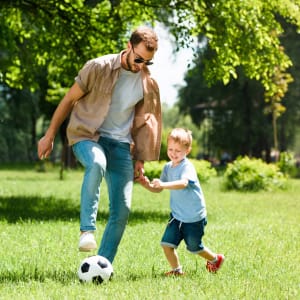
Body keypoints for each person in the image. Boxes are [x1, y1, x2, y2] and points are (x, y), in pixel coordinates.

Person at [37, 26, 162, 264]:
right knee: (96, 163)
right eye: (138, 59)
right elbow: (69, 99)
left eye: (148, 62)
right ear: (128, 46)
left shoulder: (149, 83)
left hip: (121, 145)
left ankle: (101, 265)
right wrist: (50, 135)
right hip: (88, 135)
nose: (141, 65)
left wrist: (141, 160)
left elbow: (147, 122)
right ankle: (87, 231)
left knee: (123, 209)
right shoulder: (98, 67)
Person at [138, 128, 224, 275]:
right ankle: (177, 271)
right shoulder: (167, 167)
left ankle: (216, 259)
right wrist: (147, 185)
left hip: (194, 217)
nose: (173, 153)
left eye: (178, 150)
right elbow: (158, 189)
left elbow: (183, 183)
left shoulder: (187, 167)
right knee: (166, 244)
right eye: (171, 149)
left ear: (187, 150)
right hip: (177, 216)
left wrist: (163, 185)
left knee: (194, 247)